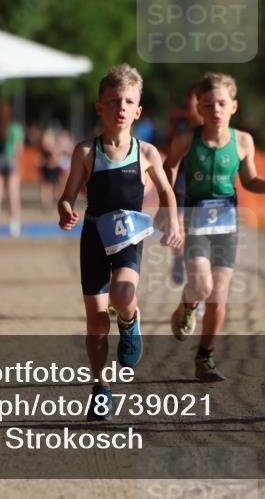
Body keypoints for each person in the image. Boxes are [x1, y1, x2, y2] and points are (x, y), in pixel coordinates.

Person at [58, 64, 182, 420]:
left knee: (123, 294)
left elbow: (166, 191)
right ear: (100, 107)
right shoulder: (86, 152)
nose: (121, 108)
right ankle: (101, 388)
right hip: (94, 238)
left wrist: (172, 220)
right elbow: (67, 196)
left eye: (128, 101)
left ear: (138, 110)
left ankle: (129, 320)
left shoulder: (147, 152)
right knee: (97, 323)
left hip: (129, 237)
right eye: (113, 101)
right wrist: (65, 211)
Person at [163, 73, 265, 381]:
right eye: (208, 104)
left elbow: (250, 181)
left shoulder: (243, 141)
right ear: (198, 107)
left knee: (218, 294)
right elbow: (169, 168)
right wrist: (168, 206)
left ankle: (205, 358)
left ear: (233, 106)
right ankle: (186, 307)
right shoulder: (186, 139)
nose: (216, 110)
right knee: (201, 286)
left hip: (227, 225)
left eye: (222, 103)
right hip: (196, 221)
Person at [166, 86, 203, 286]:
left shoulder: (215, 128)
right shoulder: (181, 127)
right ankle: (178, 259)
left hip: (203, 188)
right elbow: (170, 158)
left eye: (198, 100)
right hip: (181, 182)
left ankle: (197, 279)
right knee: (179, 226)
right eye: (191, 100)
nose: (193, 104)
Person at [0, 101, 24, 237]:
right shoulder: (15, 128)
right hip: (11, 160)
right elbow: (19, 148)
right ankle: (14, 226)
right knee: (13, 195)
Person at [38, 125, 62, 210]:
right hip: (46, 170)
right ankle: (46, 204)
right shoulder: (43, 150)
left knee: (56, 187)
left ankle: (57, 201)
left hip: (54, 169)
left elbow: (57, 159)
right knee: (45, 187)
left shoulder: (55, 148)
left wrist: (52, 158)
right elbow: (40, 160)